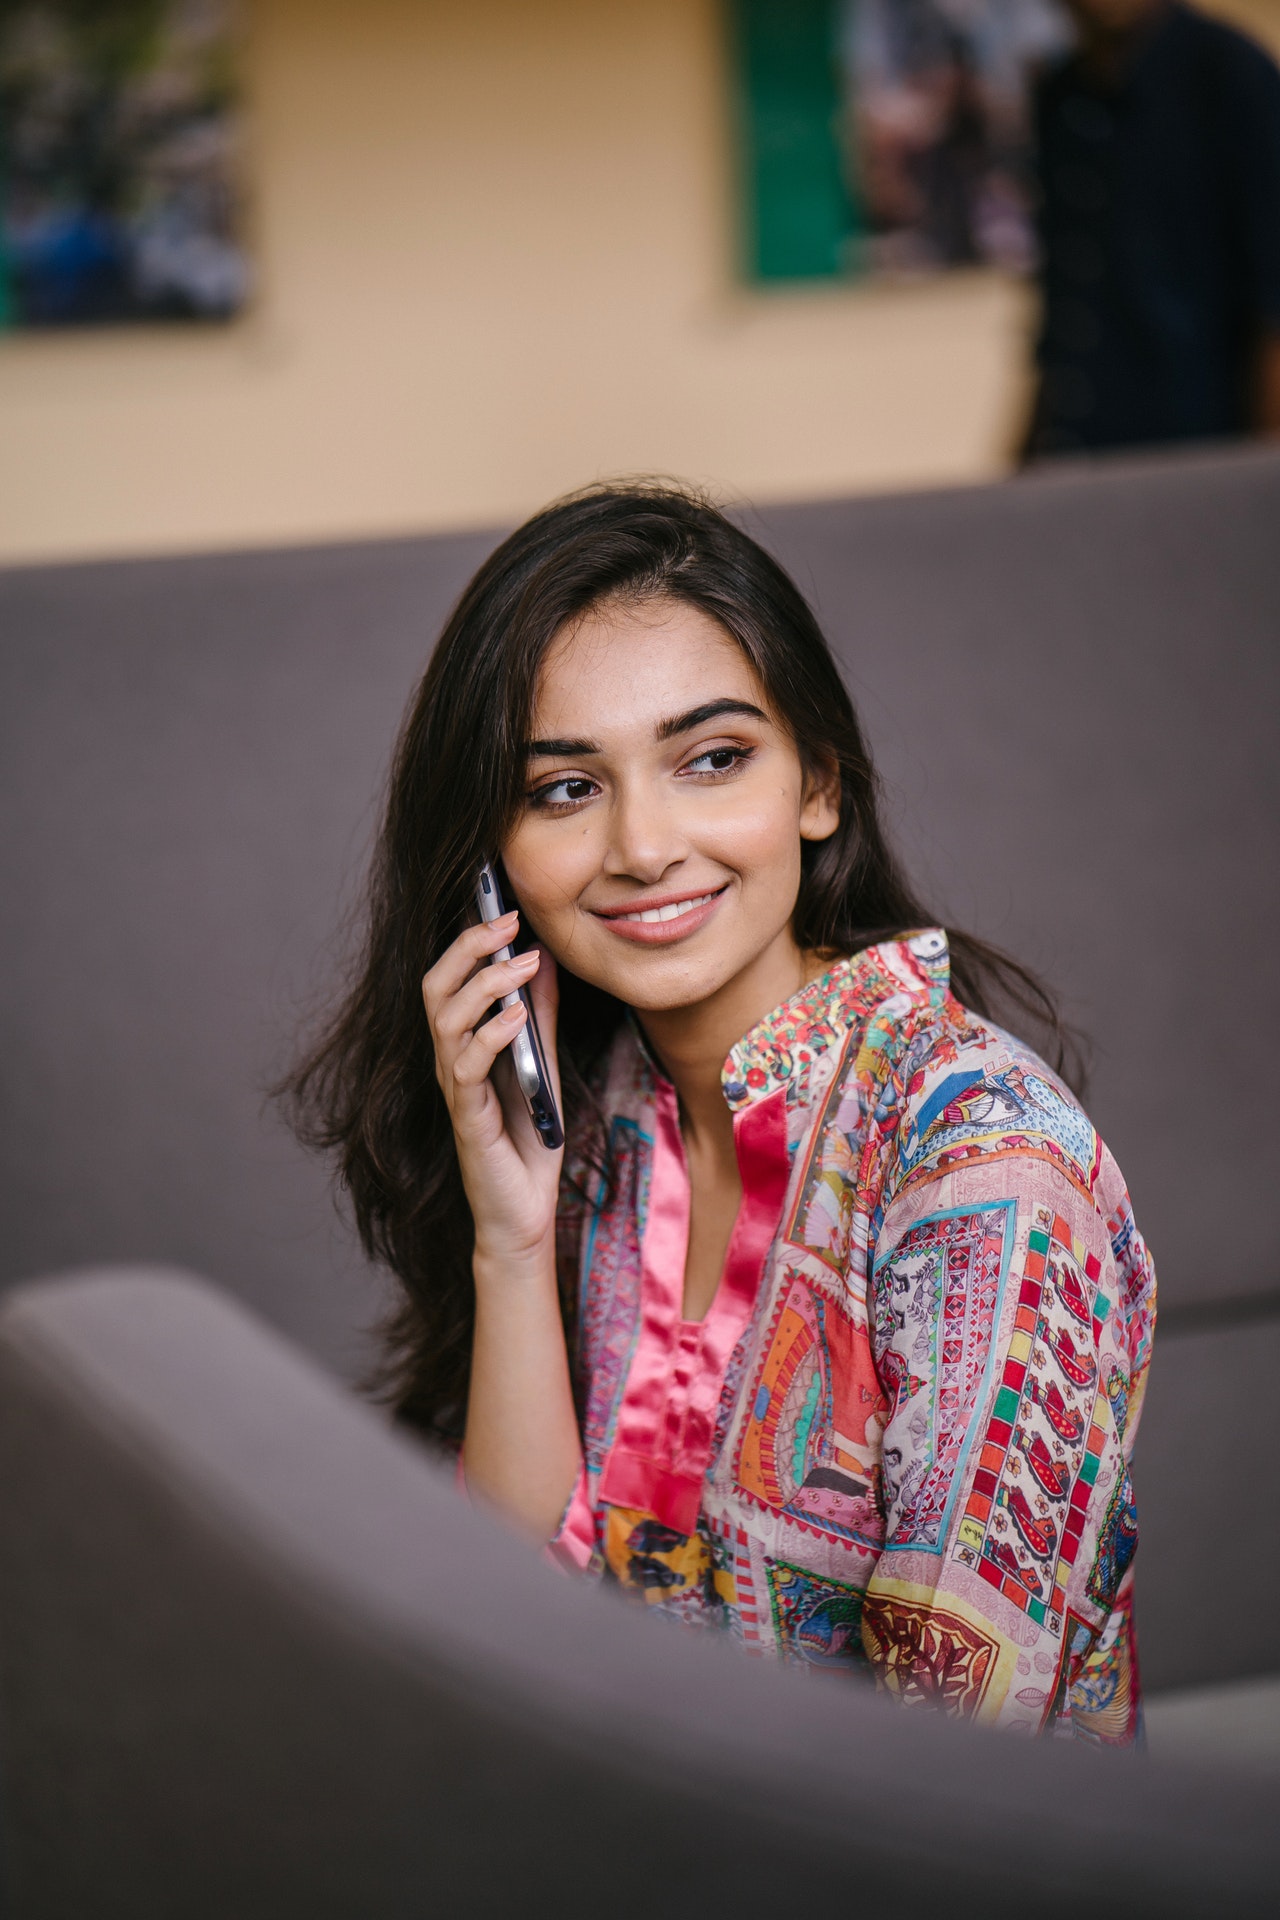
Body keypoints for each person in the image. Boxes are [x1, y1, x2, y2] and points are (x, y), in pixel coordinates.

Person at [285, 483, 1156, 1741]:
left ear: (819, 785)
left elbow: (970, 1780)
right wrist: (513, 1241)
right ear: (490, 866)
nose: (641, 845)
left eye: (710, 760)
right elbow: (504, 1619)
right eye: (564, 791)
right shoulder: (598, 1119)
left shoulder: (983, 1171)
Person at [1025, 0, 1280, 456]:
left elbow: (1273, 303)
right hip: (1089, 458)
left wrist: (1259, 481)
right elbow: (1066, 312)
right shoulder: (1062, 97)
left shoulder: (1229, 74)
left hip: (1204, 456)